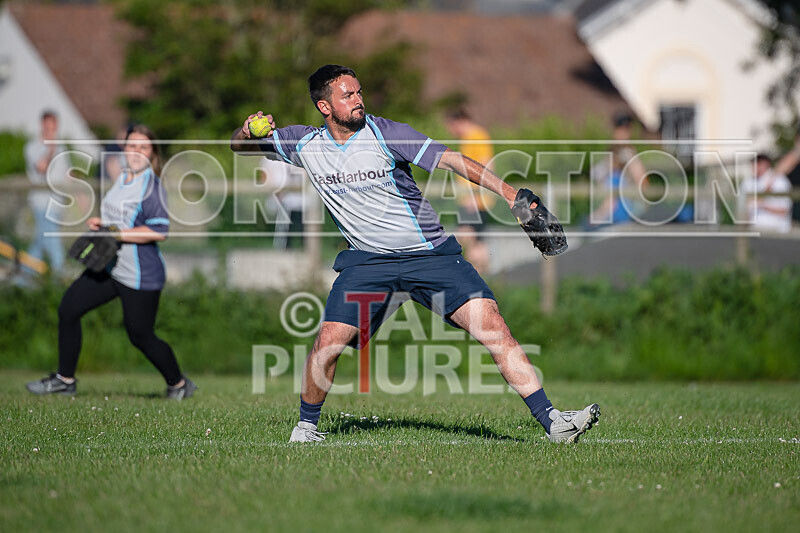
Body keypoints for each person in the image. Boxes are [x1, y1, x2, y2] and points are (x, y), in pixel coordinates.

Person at [231, 64, 599, 443]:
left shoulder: (387, 133)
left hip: (430, 255)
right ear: (325, 107)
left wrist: (509, 195)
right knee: (328, 340)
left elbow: (452, 159)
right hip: (368, 261)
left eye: (359, 92)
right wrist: (245, 131)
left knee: (492, 326)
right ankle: (306, 429)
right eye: (348, 95)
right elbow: (239, 147)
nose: (358, 99)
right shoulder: (304, 143)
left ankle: (553, 421)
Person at [26, 125, 196, 400]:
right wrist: (103, 225)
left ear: (152, 153)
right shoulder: (123, 178)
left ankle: (178, 384)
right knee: (69, 308)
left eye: (143, 147)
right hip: (110, 266)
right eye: (132, 146)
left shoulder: (151, 186)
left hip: (140, 274)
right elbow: (121, 220)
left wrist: (116, 232)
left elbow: (159, 230)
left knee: (140, 336)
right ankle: (64, 380)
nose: (136, 152)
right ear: (124, 148)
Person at [444, 108, 494, 274]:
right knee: (475, 241)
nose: (451, 131)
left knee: (469, 240)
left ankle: (476, 279)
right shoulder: (468, 137)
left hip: (474, 201)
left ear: (458, 121)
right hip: (471, 199)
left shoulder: (476, 136)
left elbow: (486, 167)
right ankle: (481, 280)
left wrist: (475, 196)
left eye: (451, 126)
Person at [23, 110, 68, 273]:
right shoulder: (32, 147)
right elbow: (41, 168)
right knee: (52, 241)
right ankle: (60, 277)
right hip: (42, 203)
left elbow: (66, 173)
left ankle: (23, 278)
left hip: (57, 203)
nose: (52, 130)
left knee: (40, 243)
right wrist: (51, 149)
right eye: (48, 126)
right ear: (42, 125)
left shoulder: (61, 147)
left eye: (54, 126)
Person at [585, 112, 648, 228]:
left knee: (615, 181)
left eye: (626, 129)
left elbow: (642, 180)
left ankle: (600, 215)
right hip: (613, 207)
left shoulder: (628, 152)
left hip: (626, 206)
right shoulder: (614, 150)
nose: (623, 133)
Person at [742, 134, 800, 233]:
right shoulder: (750, 182)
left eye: (759, 163)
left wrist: (761, 204)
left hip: (777, 230)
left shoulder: (779, 181)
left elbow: (784, 210)